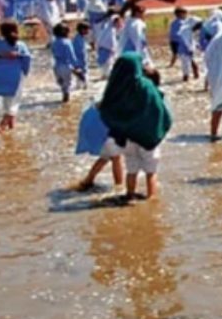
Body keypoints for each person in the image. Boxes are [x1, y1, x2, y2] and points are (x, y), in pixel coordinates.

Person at [98, 53, 173, 201]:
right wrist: (162, 127)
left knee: (131, 169)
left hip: (127, 137)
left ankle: (130, 194)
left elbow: (106, 110)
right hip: (148, 136)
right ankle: (151, 198)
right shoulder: (146, 86)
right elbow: (159, 109)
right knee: (151, 171)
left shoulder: (115, 88)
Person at [0, 22, 32, 134]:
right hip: (16, 76)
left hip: (1, 75)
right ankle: (2, 125)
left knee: (7, 100)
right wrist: (26, 72)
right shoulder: (20, 45)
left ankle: (11, 126)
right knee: (14, 102)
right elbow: (27, 59)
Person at [51, 22, 79, 103]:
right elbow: (71, 55)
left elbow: (53, 53)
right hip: (66, 66)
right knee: (68, 86)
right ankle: (66, 101)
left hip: (56, 67)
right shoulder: (67, 42)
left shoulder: (54, 42)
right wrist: (76, 66)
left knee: (62, 85)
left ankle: (64, 98)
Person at [73, 22, 91, 88]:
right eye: (87, 29)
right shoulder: (77, 39)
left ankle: (82, 85)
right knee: (81, 74)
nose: (88, 31)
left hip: (82, 60)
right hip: (79, 60)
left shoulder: (81, 38)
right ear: (82, 30)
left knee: (82, 74)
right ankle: (84, 85)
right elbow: (79, 51)